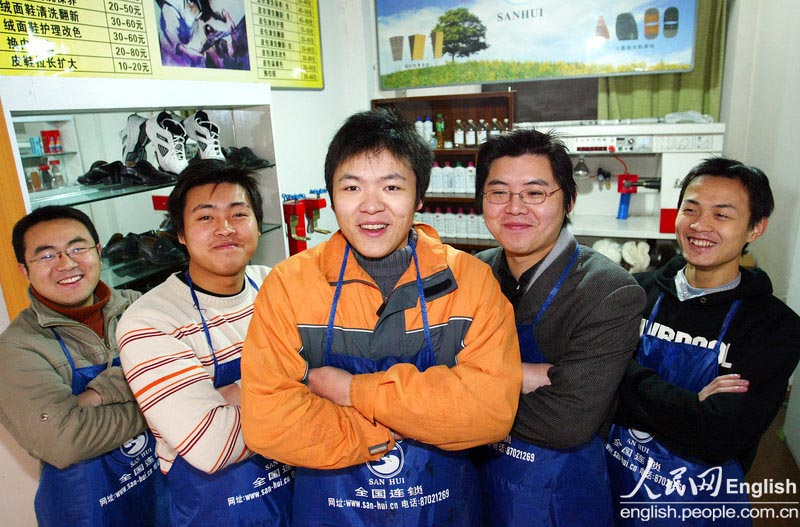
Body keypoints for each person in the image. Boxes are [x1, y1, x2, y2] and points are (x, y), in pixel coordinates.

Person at [240, 108, 521, 526]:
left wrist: (354, 392)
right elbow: (269, 422)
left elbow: (488, 410)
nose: (371, 206)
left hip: (443, 511)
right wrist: (391, 429)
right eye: (352, 187)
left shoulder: (472, 282)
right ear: (333, 196)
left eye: (392, 186)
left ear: (419, 196)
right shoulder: (289, 286)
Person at [606, 158, 800, 526]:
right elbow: (595, 386)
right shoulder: (635, 292)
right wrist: (690, 404)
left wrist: (624, 378)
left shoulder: (775, 326)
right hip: (612, 481)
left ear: (756, 228)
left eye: (722, 215)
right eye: (690, 210)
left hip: (696, 504)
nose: (700, 226)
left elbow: (718, 436)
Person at [472, 129, 646, 527]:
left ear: (568, 199)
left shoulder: (609, 290)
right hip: (475, 477)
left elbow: (567, 420)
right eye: (498, 192)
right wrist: (525, 375)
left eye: (535, 193)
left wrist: (462, 388)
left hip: (555, 494)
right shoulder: (473, 271)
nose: (515, 208)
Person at [117, 160, 293, 526]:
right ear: (180, 233)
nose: (225, 229)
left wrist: (231, 394)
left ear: (257, 223)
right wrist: (300, 383)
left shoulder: (280, 285)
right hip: (219, 512)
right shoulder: (151, 320)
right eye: (205, 218)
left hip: (301, 497)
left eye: (239, 214)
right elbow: (210, 446)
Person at [0, 205, 167, 526]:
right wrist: (164, 399)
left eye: (78, 248)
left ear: (98, 251)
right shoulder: (17, 349)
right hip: (89, 512)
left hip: (166, 498)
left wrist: (98, 394)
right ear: (24, 269)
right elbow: (64, 441)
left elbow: (200, 365)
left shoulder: (139, 308)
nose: (67, 264)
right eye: (47, 256)